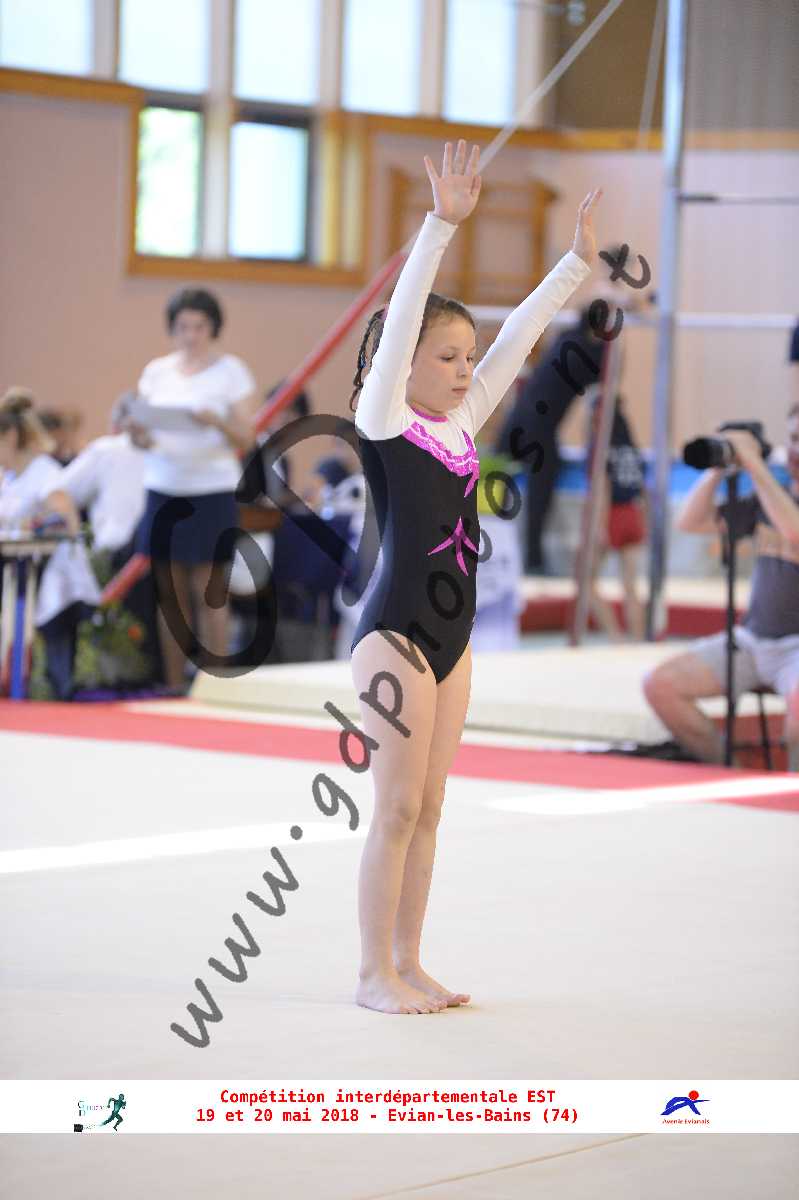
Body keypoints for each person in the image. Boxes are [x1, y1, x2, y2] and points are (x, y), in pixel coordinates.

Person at [348, 138, 600, 1014]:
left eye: (468, 358)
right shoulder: (383, 417)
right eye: (447, 357)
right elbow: (402, 317)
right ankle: (372, 974)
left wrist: (573, 266)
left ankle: (408, 960)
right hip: (393, 635)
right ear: (404, 362)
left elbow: (522, 334)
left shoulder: (461, 422)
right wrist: (439, 228)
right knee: (394, 808)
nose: (465, 371)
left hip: (449, 639)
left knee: (429, 808)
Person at [643, 406, 799, 769]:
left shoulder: (773, 499)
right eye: (793, 438)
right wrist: (719, 468)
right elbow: (689, 521)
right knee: (660, 685)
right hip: (752, 640)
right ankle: (729, 774)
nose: (796, 449)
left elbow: (794, 531)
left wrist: (754, 464)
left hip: (796, 648)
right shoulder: (766, 501)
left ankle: (790, 793)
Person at [127, 288, 258, 693]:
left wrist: (215, 422)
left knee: (209, 592)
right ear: (173, 329)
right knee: (171, 595)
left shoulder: (231, 371)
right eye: (183, 326)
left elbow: (247, 436)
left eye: (199, 326)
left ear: (212, 328)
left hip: (211, 489)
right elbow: (143, 438)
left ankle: (214, 685)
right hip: (164, 485)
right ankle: (173, 685)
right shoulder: (157, 372)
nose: (191, 335)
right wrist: (137, 431)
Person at [585, 391, 647, 641]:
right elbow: (643, 488)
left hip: (611, 514)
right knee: (630, 586)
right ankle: (638, 639)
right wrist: (645, 522)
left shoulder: (600, 447)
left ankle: (616, 638)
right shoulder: (631, 447)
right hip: (633, 513)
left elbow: (603, 488)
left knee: (587, 581)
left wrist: (600, 526)